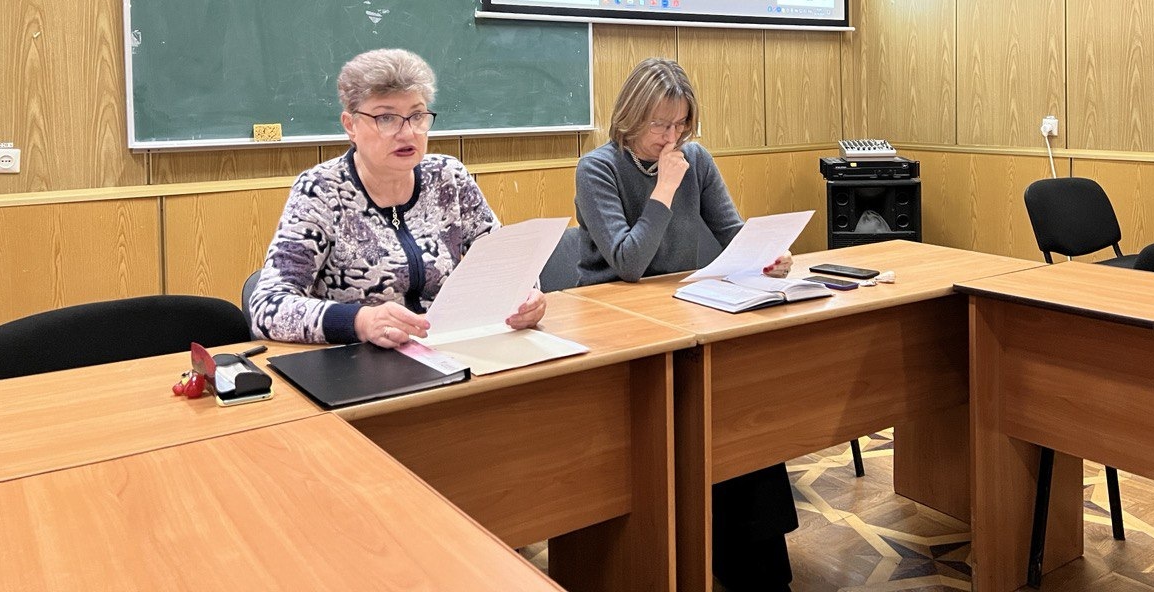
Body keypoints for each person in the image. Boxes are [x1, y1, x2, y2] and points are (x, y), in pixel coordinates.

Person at [574, 57, 797, 592]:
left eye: (681, 125)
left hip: (680, 309)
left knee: (740, 417)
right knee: (690, 424)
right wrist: (663, 191)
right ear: (630, 117)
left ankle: (761, 573)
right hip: (613, 322)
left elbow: (732, 232)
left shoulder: (695, 158)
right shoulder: (597, 168)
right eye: (659, 124)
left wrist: (768, 256)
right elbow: (629, 263)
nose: (671, 138)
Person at [249, 49, 546, 346]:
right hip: (359, 358)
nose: (407, 133)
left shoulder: (448, 177)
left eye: (417, 116)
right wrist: (360, 322)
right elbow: (268, 306)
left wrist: (526, 299)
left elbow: (509, 265)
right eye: (387, 118)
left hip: (451, 347)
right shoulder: (320, 190)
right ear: (350, 125)